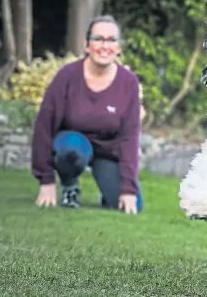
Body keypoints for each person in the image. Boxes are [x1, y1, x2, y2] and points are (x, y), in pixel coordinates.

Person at [31, 15, 143, 215]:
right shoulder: (67, 76)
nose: (104, 45)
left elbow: (129, 138)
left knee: (131, 206)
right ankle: (70, 187)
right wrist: (46, 180)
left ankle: (107, 193)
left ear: (118, 48)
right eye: (98, 39)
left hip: (107, 152)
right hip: (72, 146)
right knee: (72, 149)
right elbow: (44, 127)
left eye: (111, 40)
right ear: (86, 44)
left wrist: (128, 189)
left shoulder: (129, 83)